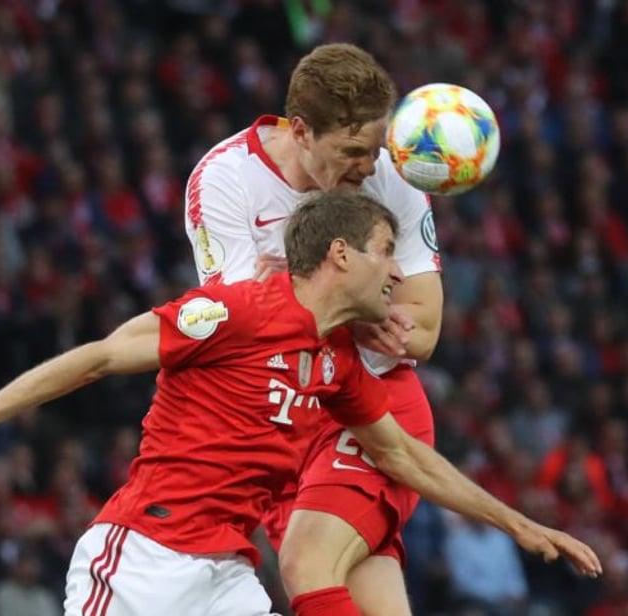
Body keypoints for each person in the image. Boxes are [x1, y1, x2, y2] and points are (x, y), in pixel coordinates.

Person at [0, 192, 602, 616]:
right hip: (142, 558)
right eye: (386, 249)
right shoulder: (234, 311)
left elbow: (406, 458)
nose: (397, 271)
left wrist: (520, 524)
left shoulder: (339, 365)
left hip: (226, 577)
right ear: (340, 254)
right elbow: (95, 358)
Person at [184, 42, 443, 614]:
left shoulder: (393, 175)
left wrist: (315, 301)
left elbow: (422, 330)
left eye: (374, 149)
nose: (369, 168)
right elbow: (240, 333)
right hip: (284, 419)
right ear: (300, 132)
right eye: (352, 151)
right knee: (361, 595)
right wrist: (358, 311)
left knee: (306, 565)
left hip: (373, 403)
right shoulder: (225, 180)